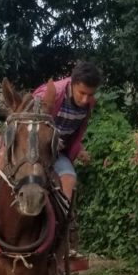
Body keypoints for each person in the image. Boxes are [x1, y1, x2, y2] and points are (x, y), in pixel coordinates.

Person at [32, 61, 102, 204]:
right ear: (72, 83)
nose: (85, 100)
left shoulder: (90, 103)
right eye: (82, 93)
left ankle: (65, 223)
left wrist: (78, 148)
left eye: (90, 95)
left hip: (57, 154)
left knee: (69, 179)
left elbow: (73, 133)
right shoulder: (49, 94)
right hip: (34, 151)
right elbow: (25, 125)